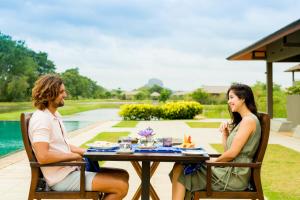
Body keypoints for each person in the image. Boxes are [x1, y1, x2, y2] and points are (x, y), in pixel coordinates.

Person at [29, 74, 129, 200]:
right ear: (49, 94)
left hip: (69, 170)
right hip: (61, 178)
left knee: (123, 175)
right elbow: (43, 156)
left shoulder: (53, 115)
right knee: (120, 186)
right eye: (61, 92)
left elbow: (61, 145)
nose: (65, 95)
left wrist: (85, 152)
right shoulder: (42, 119)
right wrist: (73, 156)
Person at [170, 83, 261, 200]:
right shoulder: (244, 121)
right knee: (181, 166)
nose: (228, 101)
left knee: (182, 169)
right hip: (229, 170)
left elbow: (232, 154)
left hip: (235, 176)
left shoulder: (248, 121)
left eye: (232, 97)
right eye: (228, 98)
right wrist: (225, 132)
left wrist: (212, 161)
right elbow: (228, 151)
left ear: (243, 98)